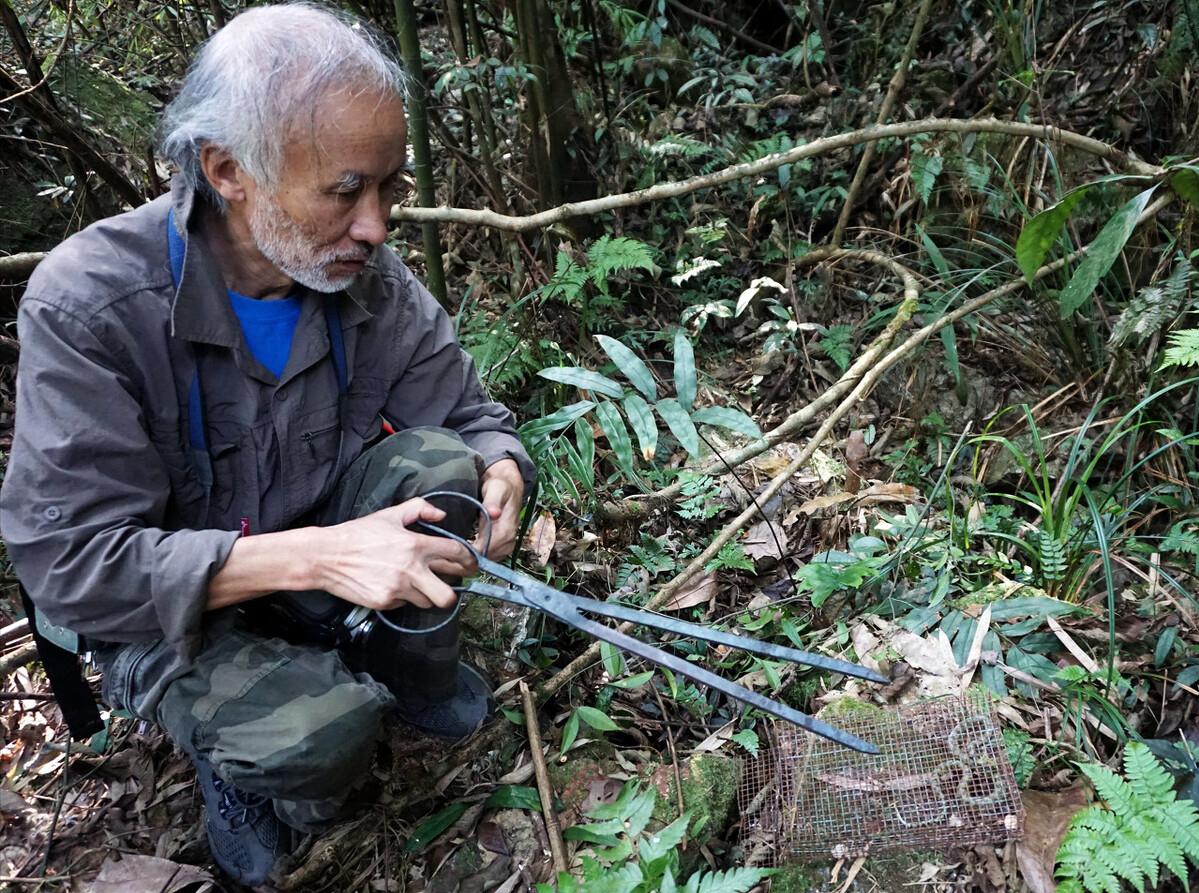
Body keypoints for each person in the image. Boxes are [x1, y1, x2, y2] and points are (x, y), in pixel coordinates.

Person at [0, 3, 532, 885]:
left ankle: (400, 661)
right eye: (345, 190)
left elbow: (471, 415)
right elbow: (72, 564)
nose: (377, 226)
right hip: (171, 615)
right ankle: (242, 766)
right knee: (319, 739)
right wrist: (320, 556)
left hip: (319, 548)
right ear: (227, 170)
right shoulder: (90, 306)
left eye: (389, 189)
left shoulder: (367, 281)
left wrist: (504, 468)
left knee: (451, 473)